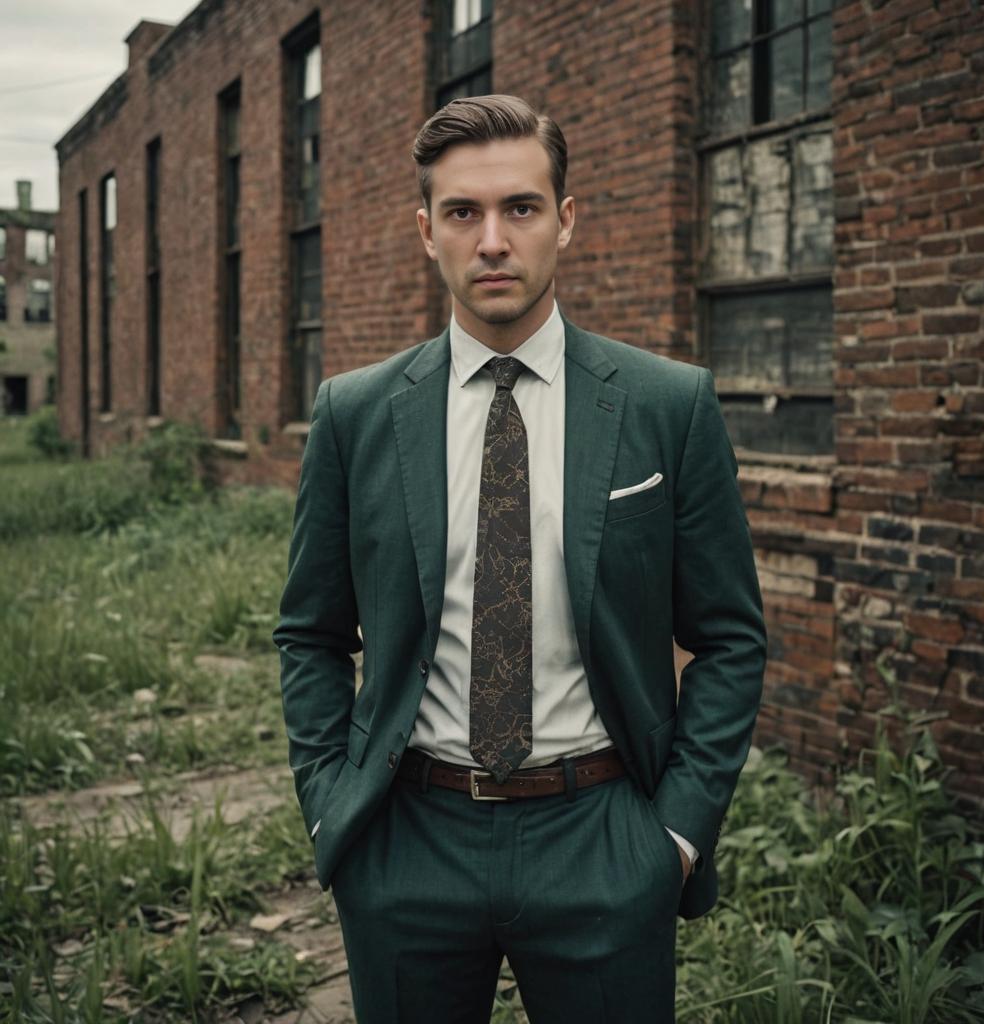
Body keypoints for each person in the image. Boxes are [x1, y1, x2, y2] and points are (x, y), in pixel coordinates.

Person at [274, 94, 766, 1024]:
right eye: (463, 213)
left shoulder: (669, 406)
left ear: (565, 220)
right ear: (427, 232)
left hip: (603, 835)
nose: (492, 239)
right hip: (408, 837)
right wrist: (330, 805)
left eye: (521, 208)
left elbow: (731, 638)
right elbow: (309, 633)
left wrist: (675, 838)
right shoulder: (355, 414)